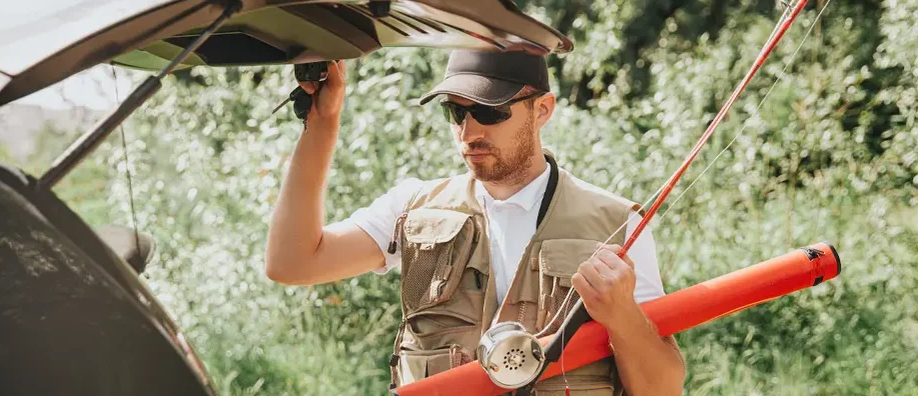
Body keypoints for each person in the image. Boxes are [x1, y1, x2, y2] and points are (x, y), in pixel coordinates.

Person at [265, 50, 686, 395]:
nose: (468, 132)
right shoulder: (412, 207)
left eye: (489, 111)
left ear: (542, 110)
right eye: (456, 112)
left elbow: (662, 390)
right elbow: (293, 263)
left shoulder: (618, 224)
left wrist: (624, 317)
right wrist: (322, 123)